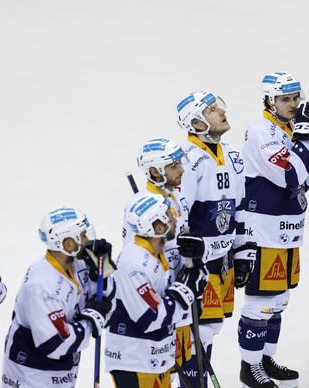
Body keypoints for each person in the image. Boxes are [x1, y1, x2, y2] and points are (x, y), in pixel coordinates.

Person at [236, 71, 309, 388]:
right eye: (284, 99)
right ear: (269, 101)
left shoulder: (289, 129)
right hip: (264, 229)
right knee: (261, 302)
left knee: (279, 301)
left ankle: (264, 358)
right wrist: (305, 139)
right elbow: (288, 175)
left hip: (289, 228)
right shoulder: (261, 130)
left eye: (295, 98)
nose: (292, 104)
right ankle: (250, 367)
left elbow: (307, 179)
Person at [175, 91, 253, 387]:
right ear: (196, 122)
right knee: (197, 334)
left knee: (211, 328)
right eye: (211, 110)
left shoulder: (232, 155)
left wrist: (244, 251)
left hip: (223, 261)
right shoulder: (187, 160)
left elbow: (241, 208)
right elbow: (181, 217)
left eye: (218, 106)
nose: (221, 111)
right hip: (198, 267)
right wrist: (188, 264)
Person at [1, 207, 113, 387]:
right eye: (83, 236)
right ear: (68, 244)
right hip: (31, 375)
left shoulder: (77, 264)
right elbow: (53, 344)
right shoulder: (41, 285)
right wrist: (91, 322)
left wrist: (102, 271)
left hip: (61, 372)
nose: (88, 241)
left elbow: (105, 304)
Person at [105, 193, 208, 387]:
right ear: (159, 227)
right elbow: (151, 317)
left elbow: (196, 283)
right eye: (169, 216)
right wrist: (184, 291)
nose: (175, 219)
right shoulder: (135, 264)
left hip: (155, 355)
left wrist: (196, 263)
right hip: (134, 360)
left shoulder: (160, 252)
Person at [122, 137, 197, 384]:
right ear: (155, 171)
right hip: (163, 303)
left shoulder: (176, 197)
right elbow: (135, 259)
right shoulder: (141, 205)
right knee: (165, 371)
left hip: (180, 296)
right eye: (174, 165)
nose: (182, 169)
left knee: (182, 363)